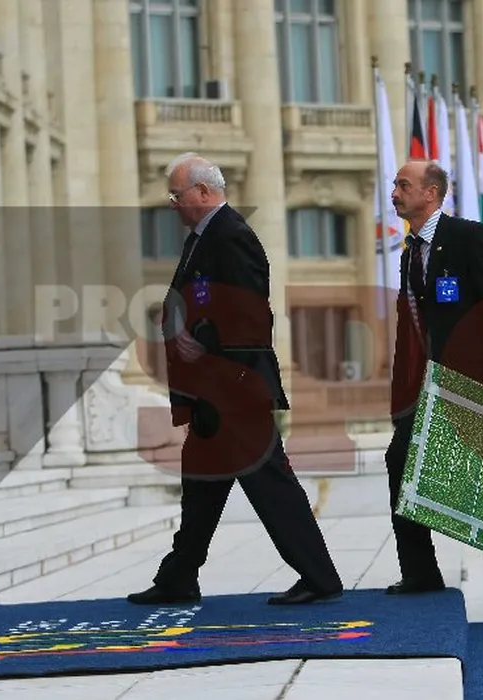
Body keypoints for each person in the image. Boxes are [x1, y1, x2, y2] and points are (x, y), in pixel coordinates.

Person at [128, 152, 343, 606]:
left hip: (234, 391)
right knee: (201, 487)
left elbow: (249, 313)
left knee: (270, 484)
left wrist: (201, 341)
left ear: (203, 192)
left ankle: (320, 579)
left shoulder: (231, 236)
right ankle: (179, 576)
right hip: (212, 391)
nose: (172, 204)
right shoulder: (204, 238)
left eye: (177, 195)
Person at [384, 160, 483, 595]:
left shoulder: (468, 237)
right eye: (395, 185)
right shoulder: (411, 251)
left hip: (475, 382)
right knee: (399, 461)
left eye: (403, 185)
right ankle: (421, 573)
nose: (394, 193)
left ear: (431, 193)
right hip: (429, 385)